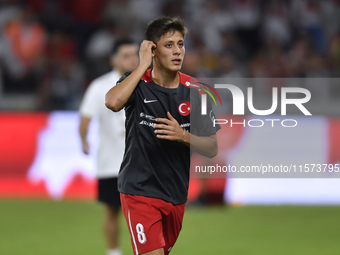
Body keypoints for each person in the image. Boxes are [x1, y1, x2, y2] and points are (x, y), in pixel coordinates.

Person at [105, 17, 220, 255]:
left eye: (181, 44)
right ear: (153, 49)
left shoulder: (197, 91)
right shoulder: (137, 82)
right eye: (169, 45)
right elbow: (113, 102)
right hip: (139, 190)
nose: (178, 51)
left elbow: (211, 147)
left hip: (175, 194)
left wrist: (183, 135)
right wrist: (142, 65)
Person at [79, 38, 139, 255]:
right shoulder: (100, 86)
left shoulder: (149, 83)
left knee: (144, 211)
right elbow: (85, 118)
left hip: (142, 162)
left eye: (135, 54)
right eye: (126, 55)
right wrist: (83, 139)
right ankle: (113, 252)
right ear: (114, 60)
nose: (132, 59)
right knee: (112, 210)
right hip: (111, 161)